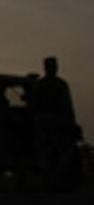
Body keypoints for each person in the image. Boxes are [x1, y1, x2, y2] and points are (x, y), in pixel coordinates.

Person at [30, 56, 81, 192]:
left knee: (45, 153)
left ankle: (48, 178)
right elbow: (66, 105)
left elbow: (33, 105)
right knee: (64, 152)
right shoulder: (60, 85)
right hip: (57, 121)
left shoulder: (39, 85)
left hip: (41, 121)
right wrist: (71, 123)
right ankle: (53, 178)